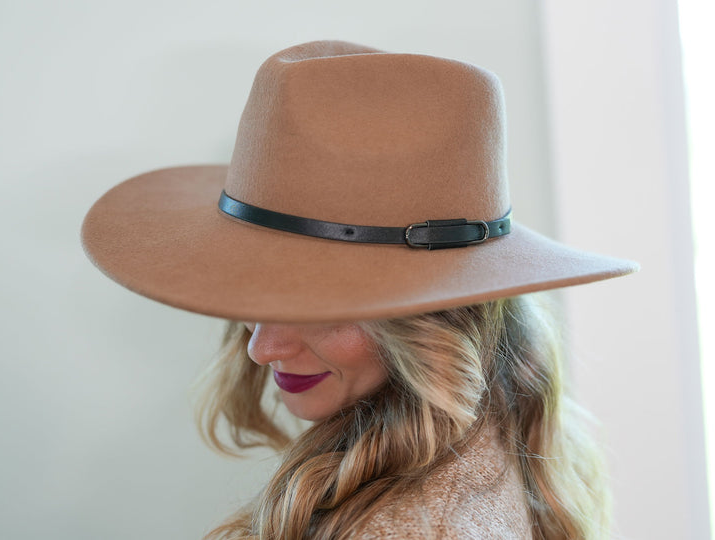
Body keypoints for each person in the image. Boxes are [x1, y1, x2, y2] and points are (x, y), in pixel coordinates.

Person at [81, 40, 638, 539]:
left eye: (321, 307)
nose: (262, 347)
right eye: (256, 296)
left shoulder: (396, 527)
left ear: (434, 323)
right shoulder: (495, 442)